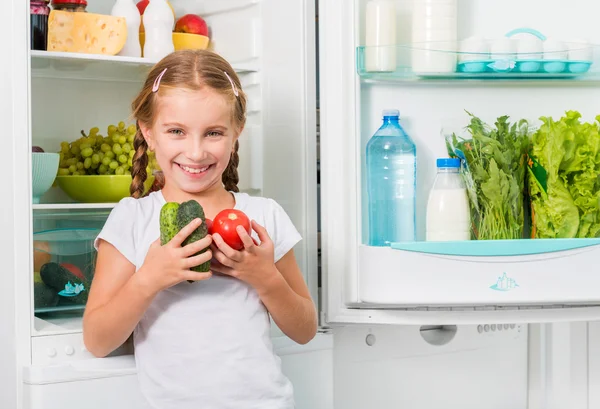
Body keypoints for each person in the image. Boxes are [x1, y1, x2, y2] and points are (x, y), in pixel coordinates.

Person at [82, 49, 318, 409]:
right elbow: (98, 341)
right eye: (176, 131)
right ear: (149, 132)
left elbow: (305, 330)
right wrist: (150, 278)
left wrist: (264, 276)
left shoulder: (264, 215)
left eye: (213, 133)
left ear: (237, 131)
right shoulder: (133, 218)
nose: (195, 152)